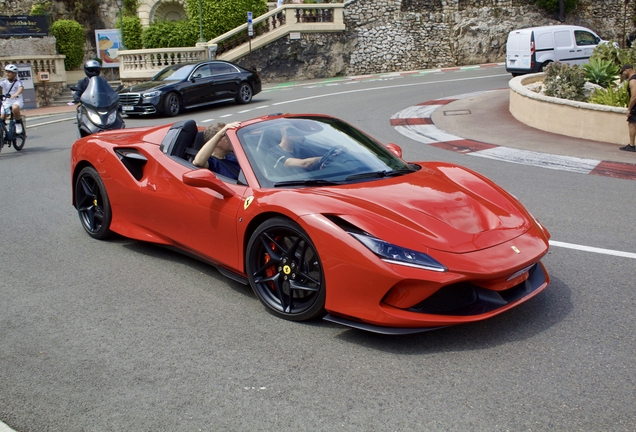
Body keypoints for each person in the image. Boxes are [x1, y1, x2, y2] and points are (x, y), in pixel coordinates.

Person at [1, 64, 24, 135]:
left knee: (15, 108)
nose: (7, 73)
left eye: (9, 72)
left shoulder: (18, 82)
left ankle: (18, 123)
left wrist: (15, 94)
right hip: (6, 101)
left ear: (14, 74)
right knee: (2, 119)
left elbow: (21, 88)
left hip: (16, 100)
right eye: (6, 72)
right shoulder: (3, 81)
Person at [620, 64, 636, 152]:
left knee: (632, 124)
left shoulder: (633, 80)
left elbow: (634, 96)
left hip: (635, 106)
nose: (623, 74)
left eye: (623, 72)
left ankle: (632, 145)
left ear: (627, 70)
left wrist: (629, 109)